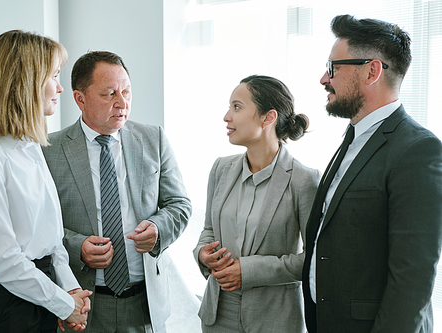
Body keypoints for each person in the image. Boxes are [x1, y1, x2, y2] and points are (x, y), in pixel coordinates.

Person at [302, 14, 442, 333]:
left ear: (371, 71)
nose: (324, 78)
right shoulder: (351, 140)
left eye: (333, 67)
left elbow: (413, 280)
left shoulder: (418, 150)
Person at [0, 30, 92, 333]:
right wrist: (64, 304)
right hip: (0, 308)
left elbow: (52, 240)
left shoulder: (29, 145)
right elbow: (5, 262)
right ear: (24, 82)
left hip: (39, 292)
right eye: (53, 76)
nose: (60, 88)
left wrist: (68, 291)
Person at [42, 51, 192, 333]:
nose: (122, 103)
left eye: (126, 92)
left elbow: (179, 204)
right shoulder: (48, 150)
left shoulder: (153, 138)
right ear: (80, 99)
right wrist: (77, 246)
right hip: (82, 302)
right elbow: (39, 224)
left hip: (144, 302)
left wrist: (158, 229)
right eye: (110, 94)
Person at [193, 75, 320, 332]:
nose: (227, 116)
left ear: (268, 117)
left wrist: (249, 271)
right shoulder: (221, 168)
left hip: (273, 318)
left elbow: (313, 259)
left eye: (237, 107)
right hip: (217, 314)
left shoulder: (304, 180)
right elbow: (208, 230)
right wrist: (202, 254)